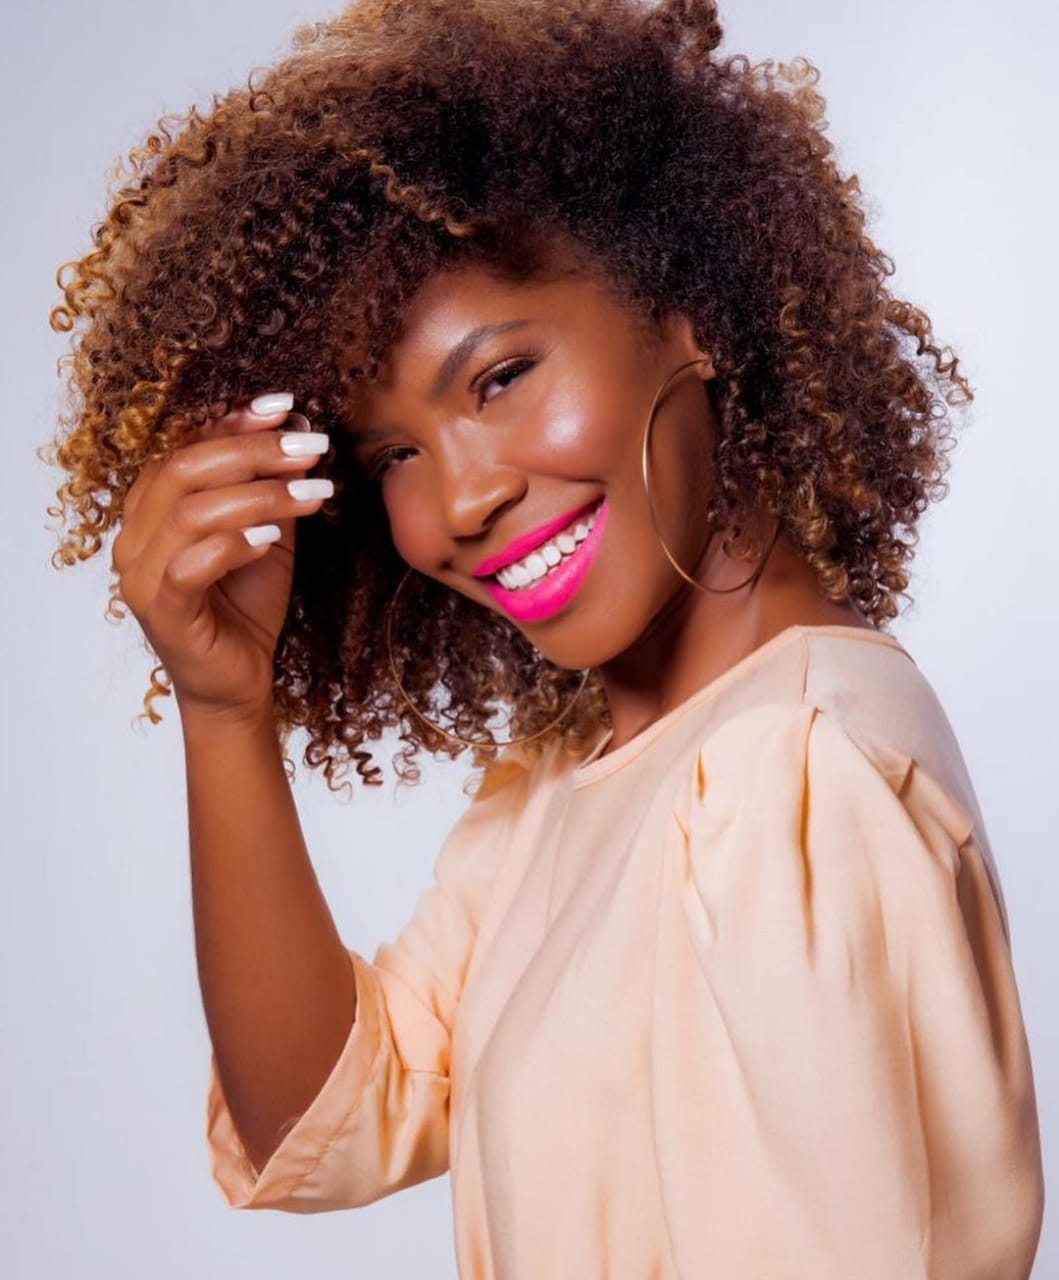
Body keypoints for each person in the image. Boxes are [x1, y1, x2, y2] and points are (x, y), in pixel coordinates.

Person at [43, 0, 1045, 1274]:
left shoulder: (785, 780)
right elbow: (314, 1116)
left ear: (690, 309)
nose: (458, 500)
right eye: (394, 455)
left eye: (500, 377)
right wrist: (224, 707)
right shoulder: (582, 781)